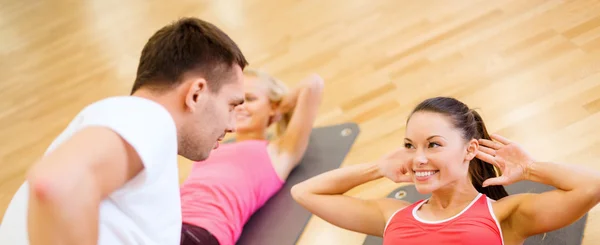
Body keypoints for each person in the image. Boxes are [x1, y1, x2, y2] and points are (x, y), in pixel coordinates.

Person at [0, 17, 248, 245]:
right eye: (231, 105)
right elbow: (56, 181)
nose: (232, 125)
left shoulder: (134, 124)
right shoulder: (148, 117)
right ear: (196, 94)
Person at [291, 96, 600, 245]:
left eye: (433, 145)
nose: (418, 158)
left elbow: (592, 186)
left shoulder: (504, 215)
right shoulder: (392, 216)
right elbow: (304, 192)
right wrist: (377, 168)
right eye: (410, 145)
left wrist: (530, 169)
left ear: (470, 150)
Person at [178, 69, 324, 245]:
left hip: (201, 232)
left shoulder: (278, 153)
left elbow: (313, 84)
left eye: (250, 99)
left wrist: (279, 107)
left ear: (273, 107)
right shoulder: (212, 146)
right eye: (235, 100)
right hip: (166, 222)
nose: (240, 106)